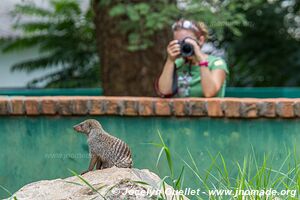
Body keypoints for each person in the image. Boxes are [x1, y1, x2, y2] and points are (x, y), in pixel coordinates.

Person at [155, 19, 229, 97]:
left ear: (201, 40)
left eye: (187, 41)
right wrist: (170, 60)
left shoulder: (216, 64)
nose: (184, 45)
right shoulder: (178, 64)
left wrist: (201, 59)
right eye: (179, 42)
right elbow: (164, 91)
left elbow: (209, 93)